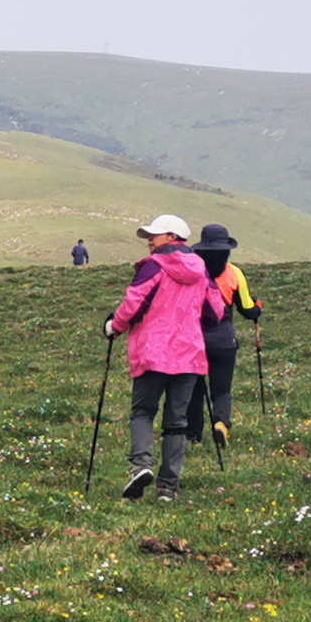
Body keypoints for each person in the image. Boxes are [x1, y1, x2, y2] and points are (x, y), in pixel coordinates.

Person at [105, 213, 224, 502]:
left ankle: (141, 466)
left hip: (152, 352)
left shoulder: (153, 266)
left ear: (172, 237)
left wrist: (113, 327)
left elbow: (133, 304)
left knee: (143, 412)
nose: (149, 240)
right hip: (189, 354)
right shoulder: (202, 270)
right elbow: (216, 312)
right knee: (177, 421)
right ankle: (168, 487)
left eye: (154, 235)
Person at [192, 221, 262, 449]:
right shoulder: (235, 273)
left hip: (194, 338)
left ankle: (193, 434)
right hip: (224, 339)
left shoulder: (191, 270)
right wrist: (258, 308)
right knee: (221, 389)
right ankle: (221, 423)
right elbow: (247, 309)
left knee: (194, 389)